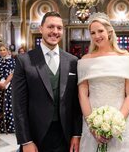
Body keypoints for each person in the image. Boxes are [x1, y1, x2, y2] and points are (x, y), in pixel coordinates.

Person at [77, 12, 129, 152]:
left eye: (100, 31)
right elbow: (82, 94)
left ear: (109, 31)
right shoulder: (85, 60)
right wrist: (92, 126)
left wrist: (117, 123)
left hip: (123, 119)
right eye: (93, 33)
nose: (97, 36)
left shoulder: (125, 57)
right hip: (92, 120)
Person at [12, 11, 82, 152]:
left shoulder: (72, 61)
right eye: (50, 27)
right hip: (36, 136)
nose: (55, 31)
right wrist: (26, 141)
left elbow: (75, 103)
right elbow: (18, 105)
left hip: (65, 135)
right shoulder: (24, 60)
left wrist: (76, 133)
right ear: (41, 29)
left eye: (59, 28)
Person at [0, 44, 15, 133]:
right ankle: (0, 126)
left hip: (9, 86)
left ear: (7, 51)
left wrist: (5, 83)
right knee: (0, 104)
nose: (2, 51)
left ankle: (9, 126)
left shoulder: (12, 61)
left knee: (9, 104)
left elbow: (12, 74)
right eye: (1, 50)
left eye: (4, 49)